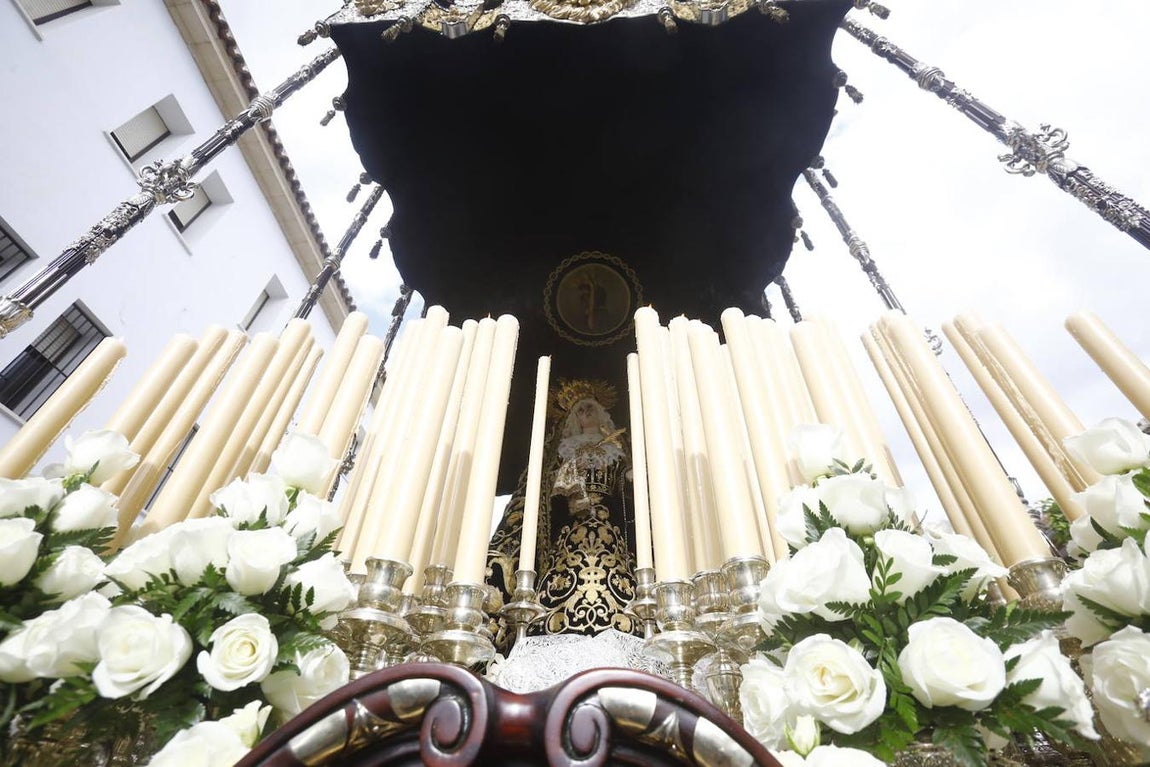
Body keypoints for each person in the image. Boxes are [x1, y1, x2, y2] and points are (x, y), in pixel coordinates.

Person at [486, 379, 638, 650]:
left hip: (609, 525)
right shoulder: (563, 448)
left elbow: (624, 492)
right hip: (571, 527)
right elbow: (544, 488)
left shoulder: (616, 447)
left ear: (601, 412)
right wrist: (565, 485)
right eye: (579, 411)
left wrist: (629, 479)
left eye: (589, 408)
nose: (585, 414)